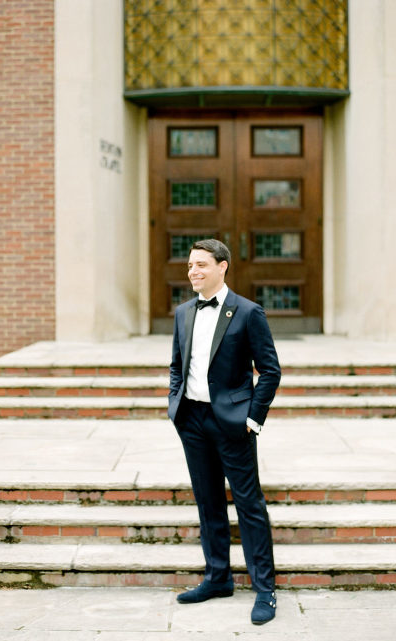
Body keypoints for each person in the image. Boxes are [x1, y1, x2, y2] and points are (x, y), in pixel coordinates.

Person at [168, 238, 281, 625]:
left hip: (233, 423)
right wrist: (176, 407)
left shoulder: (248, 312)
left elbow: (270, 370)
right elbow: (176, 366)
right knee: (208, 502)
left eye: (201, 265)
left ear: (222, 267)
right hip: (193, 422)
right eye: (189, 265)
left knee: (249, 505)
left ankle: (265, 589)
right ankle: (217, 578)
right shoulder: (183, 312)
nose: (193, 271)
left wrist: (252, 418)